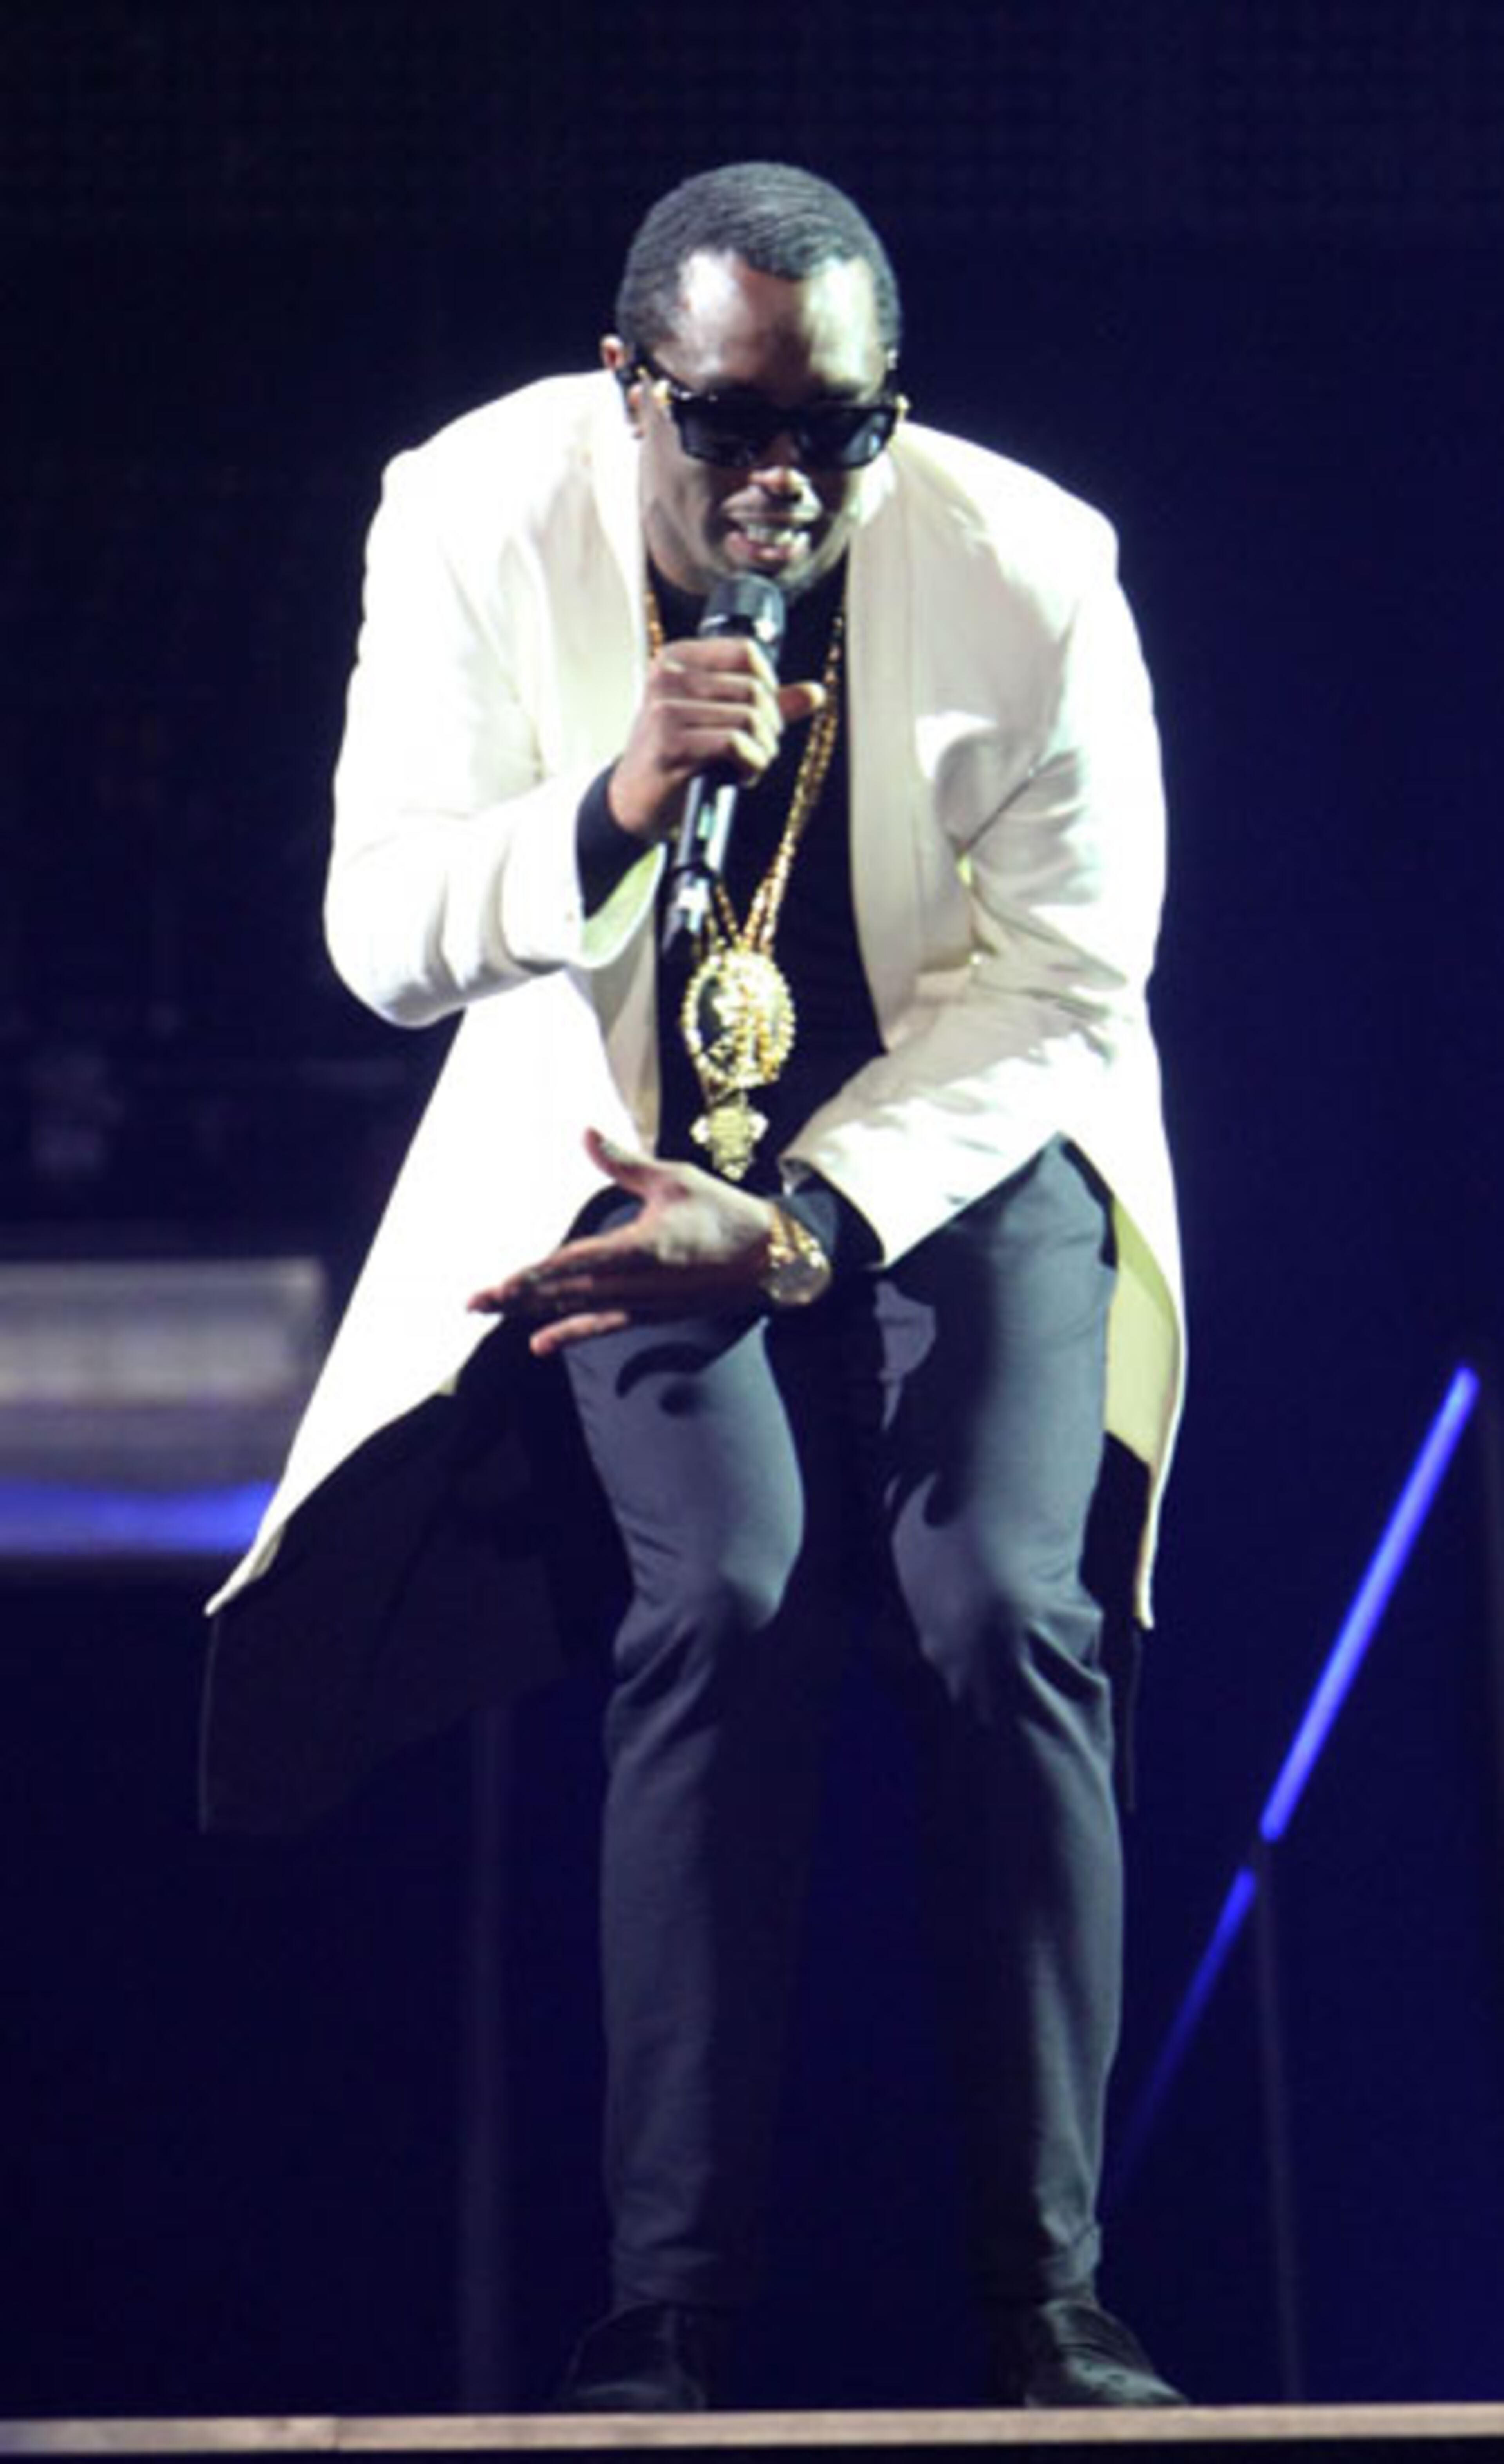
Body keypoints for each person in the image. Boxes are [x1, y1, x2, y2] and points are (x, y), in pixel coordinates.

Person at [205, 161, 1186, 2410]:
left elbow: (1067, 979)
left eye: (835, 429)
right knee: (727, 1594)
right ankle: (668, 2324)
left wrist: (826, 1218)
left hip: (954, 1141)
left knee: (1005, 1607)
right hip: (621, 1138)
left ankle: (1050, 2302)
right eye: (730, 420)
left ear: (889, 408)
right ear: (627, 380)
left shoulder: (1032, 565)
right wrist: (610, 805)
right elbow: (379, 934)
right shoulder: (467, 512)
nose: (784, 478)